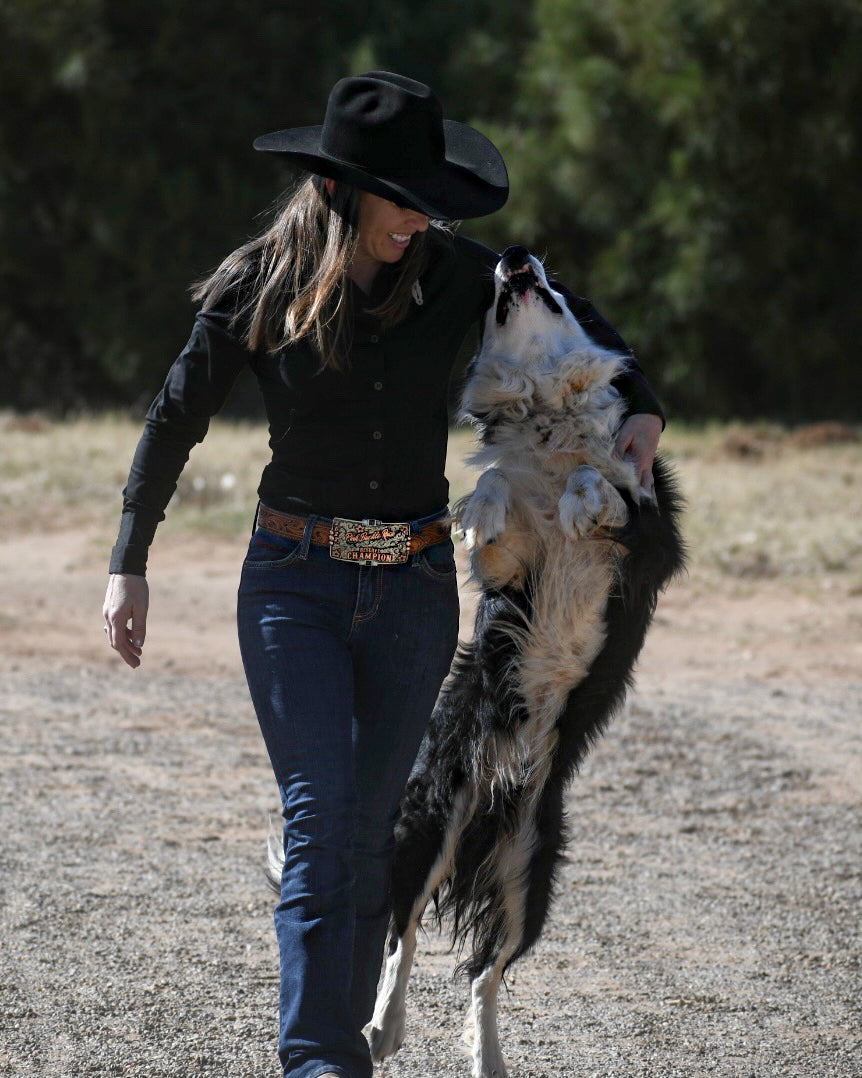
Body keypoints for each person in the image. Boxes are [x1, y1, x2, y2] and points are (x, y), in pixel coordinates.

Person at [103, 71, 664, 1078]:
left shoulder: (456, 276)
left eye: (431, 201)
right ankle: (321, 1061)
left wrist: (643, 404)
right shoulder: (258, 284)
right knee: (323, 824)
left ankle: (337, 1051)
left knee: (369, 841)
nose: (422, 218)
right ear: (340, 190)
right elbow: (174, 415)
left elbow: (574, 326)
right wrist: (128, 561)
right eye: (405, 199)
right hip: (293, 586)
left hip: (409, 590)